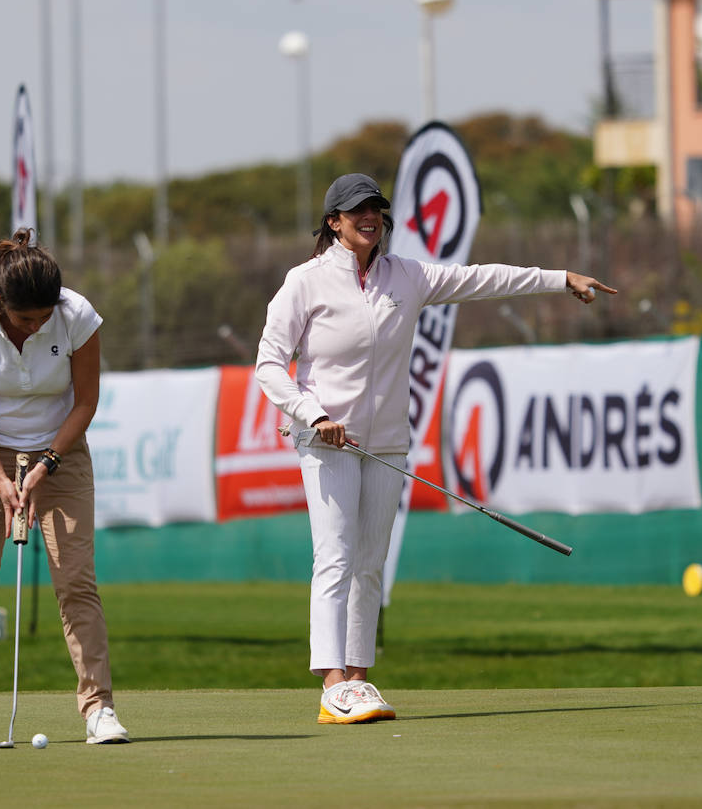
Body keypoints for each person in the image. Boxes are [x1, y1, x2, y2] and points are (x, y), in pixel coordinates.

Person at [255, 173, 616, 723]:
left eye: (376, 207)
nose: (369, 217)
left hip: (388, 443)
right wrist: (314, 414)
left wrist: (559, 277)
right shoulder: (304, 282)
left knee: (370, 562)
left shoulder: (408, 275)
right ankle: (330, 682)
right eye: (357, 211)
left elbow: (482, 279)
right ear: (334, 222)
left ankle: (358, 680)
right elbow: (268, 365)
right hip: (326, 440)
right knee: (336, 556)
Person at [0, 228, 129, 746]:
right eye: (25, 319)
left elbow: (85, 402)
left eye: (43, 317)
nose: (36, 326)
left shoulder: (76, 315)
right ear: (1, 303)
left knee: (75, 580)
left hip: (61, 453)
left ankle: (98, 709)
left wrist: (46, 465)